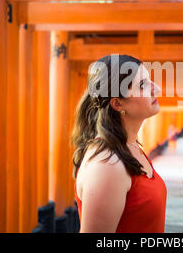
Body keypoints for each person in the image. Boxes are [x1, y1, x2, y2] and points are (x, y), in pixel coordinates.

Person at [71, 54, 167, 233]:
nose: (157, 89)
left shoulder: (129, 147)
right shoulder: (107, 164)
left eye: (149, 80)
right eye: (142, 85)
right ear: (117, 103)